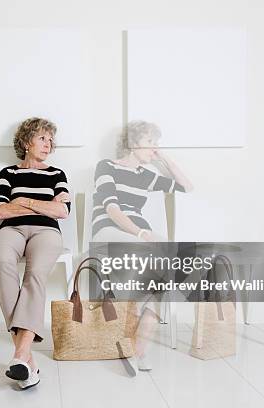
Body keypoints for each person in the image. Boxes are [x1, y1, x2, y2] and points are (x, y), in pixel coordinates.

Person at [91, 120, 193, 371]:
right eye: (150, 143)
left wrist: (164, 159)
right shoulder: (106, 167)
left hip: (140, 236)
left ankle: (139, 341)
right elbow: (111, 208)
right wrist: (141, 232)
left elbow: (186, 187)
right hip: (111, 231)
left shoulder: (145, 175)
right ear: (132, 143)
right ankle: (134, 340)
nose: (154, 148)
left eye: (156, 144)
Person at [0, 117, 70, 390]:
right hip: (10, 230)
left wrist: (23, 201)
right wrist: (43, 204)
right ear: (26, 143)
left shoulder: (56, 174)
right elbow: (1, 211)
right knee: (3, 267)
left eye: (51, 140)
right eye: (42, 138)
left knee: (35, 274)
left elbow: (62, 211)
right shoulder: (8, 173)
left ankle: (19, 356)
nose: (48, 144)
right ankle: (26, 361)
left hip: (46, 232)